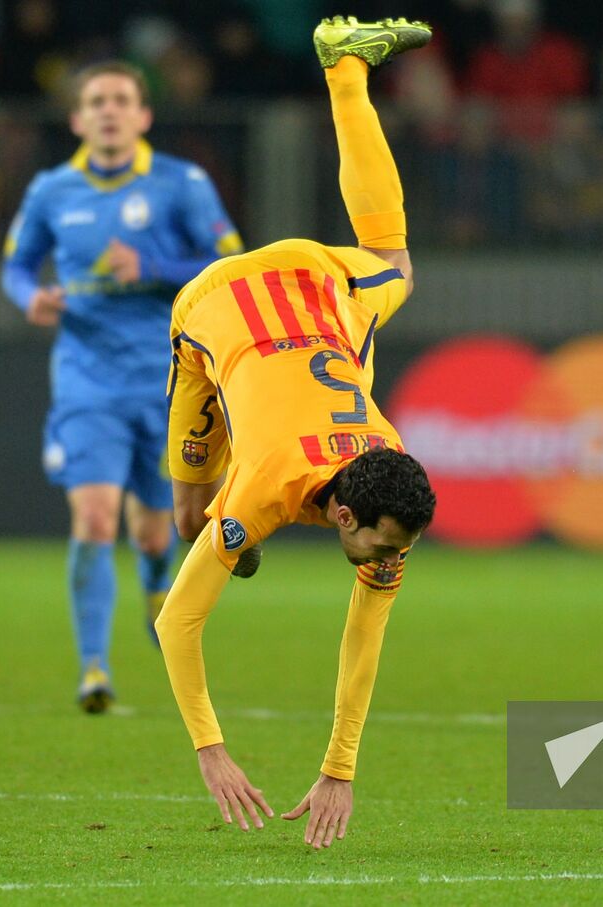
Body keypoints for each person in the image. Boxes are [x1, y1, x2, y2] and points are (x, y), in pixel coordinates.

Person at [155, 17, 437, 851]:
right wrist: (212, 750)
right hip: (214, 310)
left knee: (395, 260)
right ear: (343, 518)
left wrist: (339, 765)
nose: (393, 562)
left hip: (321, 291)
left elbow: (365, 632)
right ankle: (344, 71)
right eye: (385, 549)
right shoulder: (267, 485)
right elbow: (176, 625)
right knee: (189, 523)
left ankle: (346, 66)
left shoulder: (389, 483)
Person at [1, 60, 245, 713]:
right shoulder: (52, 191)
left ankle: (156, 585)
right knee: (94, 517)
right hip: (86, 378)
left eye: (121, 100)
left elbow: (232, 262)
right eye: (97, 102)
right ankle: (93, 669)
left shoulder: (181, 184)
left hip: (169, 380)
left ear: (143, 116)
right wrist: (30, 297)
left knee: (154, 533)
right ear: (79, 119)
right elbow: (17, 265)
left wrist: (156, 265)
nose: (109, 111)